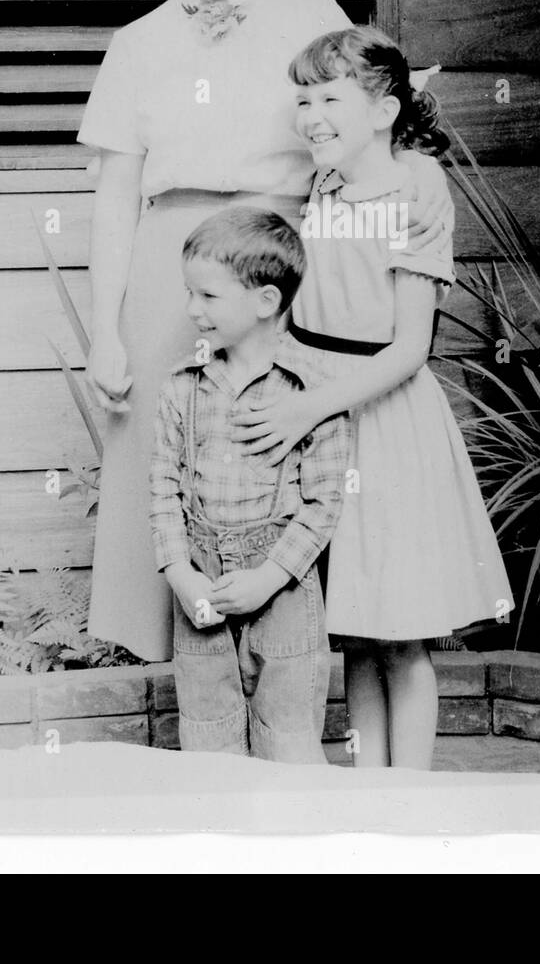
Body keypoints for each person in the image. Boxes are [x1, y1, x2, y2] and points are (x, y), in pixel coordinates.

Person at [78, 0, 445, 662]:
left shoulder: (310, 17)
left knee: (278, 442)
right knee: (172, 447)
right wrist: (105, 327)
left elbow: (362, 127)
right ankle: (182, 679)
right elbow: (112, 195)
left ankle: (289, 670)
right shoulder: (136, 44)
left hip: (285, 257)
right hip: (175, 261)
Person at [235, 27, 515, 770]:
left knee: (401, 630)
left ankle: (410, 801)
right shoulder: (326, 182)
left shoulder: (416, 185)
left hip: (383, 419)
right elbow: (309, 307)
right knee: (357, 625)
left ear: (385, 111)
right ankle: (369, 797)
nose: (310, 114)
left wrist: (306, 408)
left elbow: (409, 348)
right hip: (321, 410)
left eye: (329, 98)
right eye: (303, 98)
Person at [148, 207, 350, 762]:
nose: (192, 310)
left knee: (288, 741)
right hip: (201, 593)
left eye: (208, 297)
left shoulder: (311, 391)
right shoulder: (181, 389)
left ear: (266, 301)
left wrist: (267, 577)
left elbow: (325, 501)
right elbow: (163, 493)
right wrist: (182, 576)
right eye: (189, 293)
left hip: (282, 589)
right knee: (208, 739)